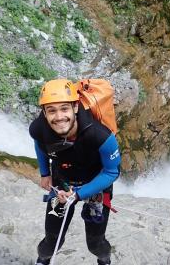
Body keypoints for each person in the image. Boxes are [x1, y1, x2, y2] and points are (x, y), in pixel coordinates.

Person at [30, 79, 121, 265]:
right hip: (61, 186)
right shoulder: (40, 129)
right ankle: (43, 259)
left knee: (95, 244)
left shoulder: (100, 135)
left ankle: (104, 260)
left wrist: (79, 194)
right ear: (44, 113)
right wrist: (45, 172)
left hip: (96, 188)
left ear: (75, 107)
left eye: (64, 109)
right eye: (52, 110)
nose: (59, 117)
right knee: (51, 242)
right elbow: (40, 144)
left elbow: (112, 172)